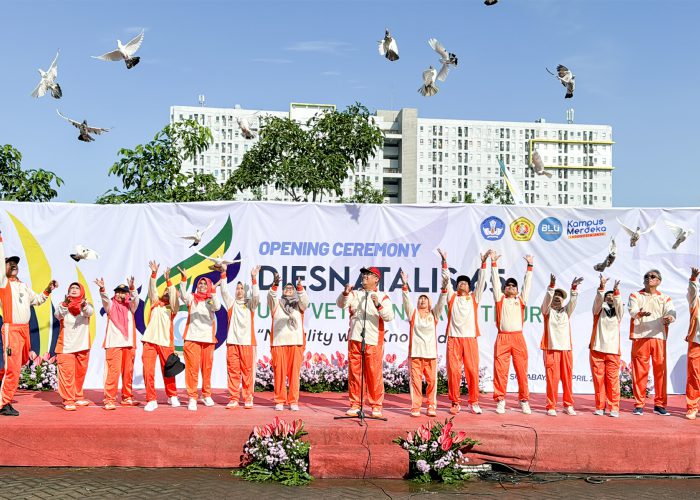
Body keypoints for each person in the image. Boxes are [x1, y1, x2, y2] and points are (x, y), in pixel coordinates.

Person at [0, 232, 57, 416]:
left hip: (24, 331)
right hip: (12, 330)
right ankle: (3, 403)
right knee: (12, 368)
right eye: (10, 262)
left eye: (16, 262)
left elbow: (38, 300)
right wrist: (1, 240)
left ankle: (4, 396)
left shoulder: (23, 285)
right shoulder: (3, 284)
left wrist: (49, 289)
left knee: (18, 364)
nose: (14, 264)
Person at [336, 266, 394, 418]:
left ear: (376, 279)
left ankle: (376, 405)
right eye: (364, 275)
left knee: (374, 373)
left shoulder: (383, 296)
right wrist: (345, 293)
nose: (365, 277)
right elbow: (341, 304)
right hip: (355, 337)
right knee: (355, 373)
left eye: (369, 275)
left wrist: (378, 305)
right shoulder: (355, 294)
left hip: (373, 340)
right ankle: (355, 404)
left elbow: (389, 316)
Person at [438, 248, 489, 415]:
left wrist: (483, 263)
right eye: (459, 282)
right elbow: (446, 280)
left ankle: (473, 401)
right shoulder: (452, 297)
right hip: (454, 338)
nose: (462, 284)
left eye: (465, 283)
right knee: (453, 372)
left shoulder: (474, 298)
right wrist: (444, 262)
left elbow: (481, 283)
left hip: (470, 339)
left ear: (469, 287)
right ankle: (455, 402)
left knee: (472, 371)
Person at [490, 252, 533, 415]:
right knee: (501, 371)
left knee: (522, 370)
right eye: (508, 286)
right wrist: (493, 263)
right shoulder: (499, 300)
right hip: (502, 338)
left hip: (518, 338)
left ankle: (524, 400)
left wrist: (530, 267)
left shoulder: (521, 300)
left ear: (516, 290)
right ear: (504, 289)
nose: (511, 288)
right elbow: (495, 283)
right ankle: (500, 400)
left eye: (513, 286)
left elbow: (527, 285)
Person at [628, 269, 676, 416]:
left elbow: (672, 312)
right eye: (646, 276)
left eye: (653, 276)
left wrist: (669, 318)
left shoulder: (665, 298)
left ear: (659, 281)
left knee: (660, 371)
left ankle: (659, 405)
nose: (649, 278)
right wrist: (639, 313)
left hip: (658, 336)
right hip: (640, 336)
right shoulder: (635, 295)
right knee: (639, 372)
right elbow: (632, 310)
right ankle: (639, 404)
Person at [400, 270, 447, 417]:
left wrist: (444, 290)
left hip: (430, 355)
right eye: (420, 298)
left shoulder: (434, 314)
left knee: (432, 381)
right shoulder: (413, 314)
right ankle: (416, 407)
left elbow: (441, 302)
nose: (422, 301)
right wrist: (405, 284)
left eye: (425, 299)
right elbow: (406, 301)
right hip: (415, 354)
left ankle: (431, 406)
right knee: (416, 382)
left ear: (429, 303)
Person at [178, 268, 221, 411]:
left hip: (208, 339)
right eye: (200, 284)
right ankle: (192, 397)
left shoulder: (211, 300)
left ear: (209, 286)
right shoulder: (192, 298)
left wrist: (213, 292)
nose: (202, 286)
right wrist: (184, 279)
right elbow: (183, 295)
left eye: (205, 284)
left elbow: (218, 306)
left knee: (207, 369)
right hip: (192, 338)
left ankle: (206, 394)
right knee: (192, 369)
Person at [540, 274, 583, 416]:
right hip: (551, 349)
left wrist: (574, 288)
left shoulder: (566, 312)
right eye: (555, 295)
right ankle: (551, 406)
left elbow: (573, 302)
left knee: (567, 379)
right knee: (552, 380)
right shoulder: (547, 311)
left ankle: (568, 405)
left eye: (560, 296)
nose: (557, 298)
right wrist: (551, 286)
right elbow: (546, 301)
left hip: (566, 349)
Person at [219, 265, 260, 409]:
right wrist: (223, 274)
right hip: (232, 343)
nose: (239, 291)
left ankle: (248, 397)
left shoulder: (251, 305)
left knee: (247, 371)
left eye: (242, 288)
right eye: (237, 288)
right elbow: (224, 291)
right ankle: (234, 398)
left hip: (247, 343)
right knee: (233, 371)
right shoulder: (231, 303)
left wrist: (254, 279)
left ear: (245, 291)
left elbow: (256, 296)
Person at [96, 276, 139, 410]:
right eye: (118, 292)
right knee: (113, 373)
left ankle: (127, 397)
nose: (120, 294)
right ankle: (109, 399)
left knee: (128, 373)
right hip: (113, 344)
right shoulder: (110, 305)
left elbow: (135, 300)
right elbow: (104, 299)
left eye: (123, 292)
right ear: (115, 293)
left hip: (129, 344)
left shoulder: (130, 306)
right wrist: (102, 289)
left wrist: (132, 288)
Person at [141, 261, 180, 412]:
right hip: (149, 341)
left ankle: (172, 395)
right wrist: (154, 274)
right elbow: (152, 290)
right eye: (166, 291)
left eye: (170, 292)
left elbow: (175, 300)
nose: (167, 293)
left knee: (169, 370)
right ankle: (151, 399)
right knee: (148, 371)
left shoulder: (173, 309)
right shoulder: (154, 303)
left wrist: (169, 280)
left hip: (165, 342)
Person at [267, 273, 308, 411]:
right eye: (286, 288)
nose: (289, 289)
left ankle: (293, 401)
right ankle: (279, 400)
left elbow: (305, 301)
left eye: (291, 288)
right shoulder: (276, 304)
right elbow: (270, 296)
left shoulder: (299, 306)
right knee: (279, 373)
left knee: (294, 374)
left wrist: (300, 287)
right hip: (279, 343)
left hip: (296, 343)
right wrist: (275, 284)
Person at [54, 282, 94, 411]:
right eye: (72, 288)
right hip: (66, 346)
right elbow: (58, 315)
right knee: (67, 374)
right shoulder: (62, 305)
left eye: (77, 288)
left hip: (82, 346)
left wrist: (83, 305)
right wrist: (65, 304)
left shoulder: (86, 305)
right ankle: (68, 399)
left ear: (82, 291)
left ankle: (77, 396)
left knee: (79, 374)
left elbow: (89, 312)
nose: (74, 290)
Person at [589, 274, 623, 418]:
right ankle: (600, 406)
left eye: (612, 296)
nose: (609, 297)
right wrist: (602, 288)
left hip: (613, 351)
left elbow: (619, 304)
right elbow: (597, 302)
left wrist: (616, 292)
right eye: (607, 296)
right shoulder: (598, 311)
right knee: (598, 380)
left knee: (612, 380)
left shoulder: (619, 313)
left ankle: (614, 407)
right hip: (597, 349)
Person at [684, 267, 700, 420]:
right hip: (696, 342)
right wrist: (693, 279)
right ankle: (692, 407)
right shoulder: (696, 302)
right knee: (694, 376)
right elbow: (692, 293)